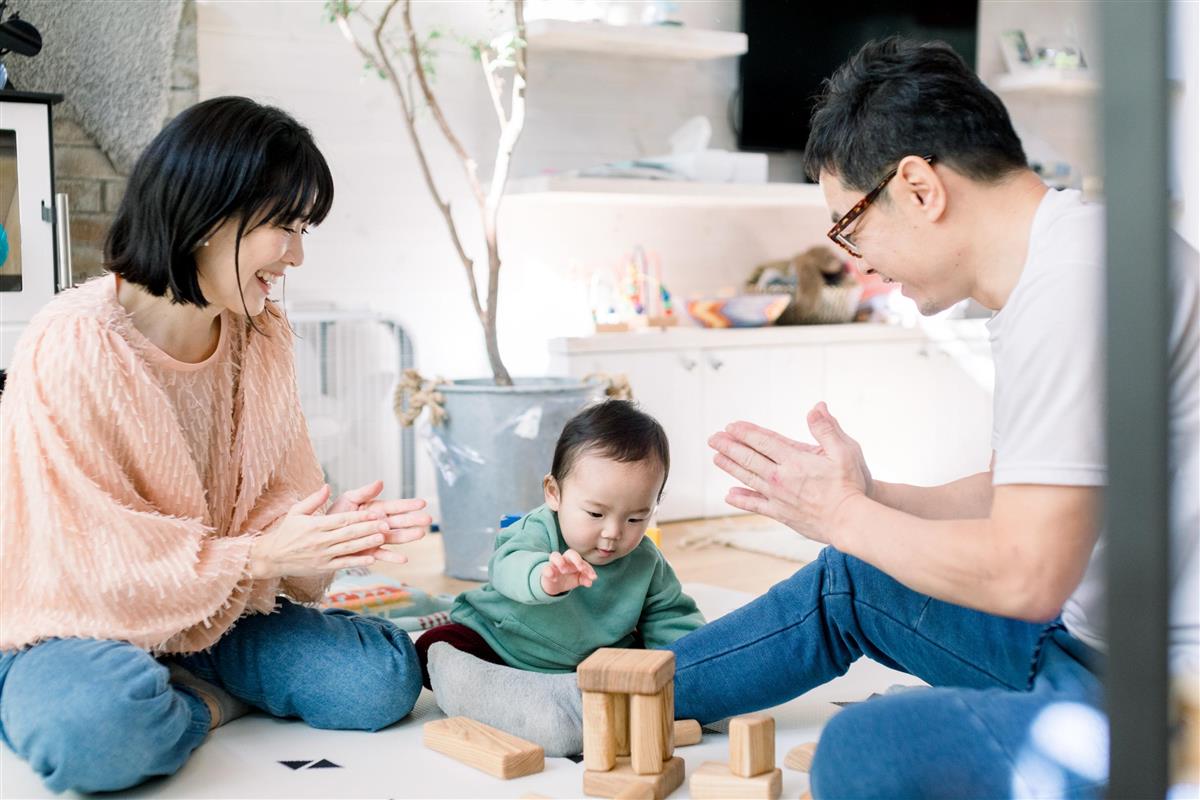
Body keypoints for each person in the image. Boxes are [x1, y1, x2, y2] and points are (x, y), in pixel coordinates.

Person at [419, 37, 1199, 798]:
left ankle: (606, 704)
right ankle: (605, 704)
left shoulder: (1076, 288)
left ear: (920, 188)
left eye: (849, 223)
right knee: (849, 581)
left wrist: (844, 514)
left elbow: (1026, 575)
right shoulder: (1066, 264)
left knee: (862, 753)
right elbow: (1022, 493)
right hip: (1101, 652)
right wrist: (872, 496)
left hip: (1163, 705)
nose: (854, 259)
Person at [0, 96, 433, 794]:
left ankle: (185, 688)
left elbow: (279, 496)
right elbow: (84, 565)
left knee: (378, 683)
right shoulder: (73, 343)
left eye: (303, 229)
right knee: (94, 730)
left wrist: (324, 532)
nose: (295, 255)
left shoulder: (261, 335)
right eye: (284, 228)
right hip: (73, 624)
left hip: (215, 612)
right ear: (210, 214)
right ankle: (190, 698)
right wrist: (261, 556)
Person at [421, 400, 703, 727]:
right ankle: (491, 689)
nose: (613, 533)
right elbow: (507, 564)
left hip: (587, 668)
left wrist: (695, 662)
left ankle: (557, 703)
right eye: (596, 514)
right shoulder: (539, 529)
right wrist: (542, 576)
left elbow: (671, 615)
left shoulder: (646, 561)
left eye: (636, 517)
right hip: (502, 645)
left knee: (660, 663)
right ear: (554, 493)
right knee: (435, 647)